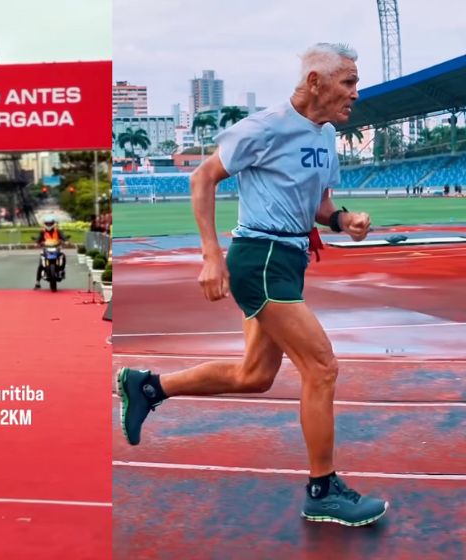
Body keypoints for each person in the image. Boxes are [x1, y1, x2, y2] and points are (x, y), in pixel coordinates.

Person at [117, 43, 388, 527]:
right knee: (321, 367)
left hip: (289, 260)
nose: (355, 93)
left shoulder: (326, 137)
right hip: (259, 258)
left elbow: (320, 205)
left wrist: (343, 219)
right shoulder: (264, 127)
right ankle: (322, 491)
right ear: (315, 83)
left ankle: (149, 387)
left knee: (255, 375)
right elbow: (202, 178)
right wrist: (211, 256)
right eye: (348, 82)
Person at [34, 215, 67, 289]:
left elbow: (63, 237)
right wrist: (36, 243)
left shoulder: (57, 230)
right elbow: (38, 239)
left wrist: (65, 241)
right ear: (45, 224)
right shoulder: (42, 231)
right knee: (41, 264)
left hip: (56, 248)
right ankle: (37, 282)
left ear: (53, 223)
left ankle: (62, 271)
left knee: (63, 256)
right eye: (47, 223)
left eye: (50, 223)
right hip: (46, 249)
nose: (49, 225)